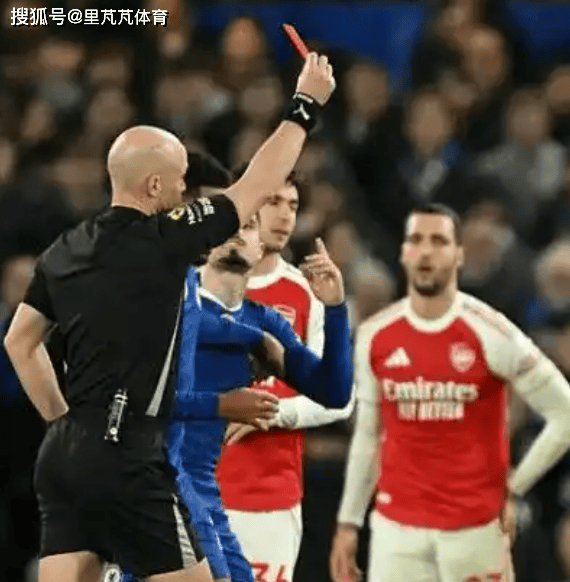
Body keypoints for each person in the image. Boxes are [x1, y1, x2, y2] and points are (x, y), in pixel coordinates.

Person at [3, 53, 336, 582]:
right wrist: (305, 104)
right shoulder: (165, 237)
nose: (185, 191)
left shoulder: (64, 248)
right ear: (155, 187)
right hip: (129, 455)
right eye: (180, 181)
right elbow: (256, 184)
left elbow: (20, 342)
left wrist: (62, 421)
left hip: (62, 458)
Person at [329, 202, 570, 582]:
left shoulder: (492, 332)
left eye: (439, 241)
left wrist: (513, 488)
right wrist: (348, 523)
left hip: (474, 531)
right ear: (404, 252)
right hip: (396, 531)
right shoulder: (375, 335)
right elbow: (367, 437)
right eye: (417, 240)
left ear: (458, 254)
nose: (426, 252)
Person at [217, 169, 355, 582]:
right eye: (273, 202)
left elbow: (342, 399)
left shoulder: (307, 294)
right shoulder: (197, 283)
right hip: (189, 490)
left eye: (293, 206)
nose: (284, 215)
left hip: (268, 499)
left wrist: (274, 412)